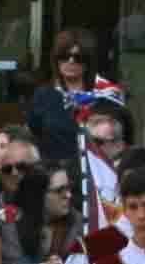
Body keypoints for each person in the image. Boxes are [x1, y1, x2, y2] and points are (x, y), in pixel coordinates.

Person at [24, 29, 123, 174]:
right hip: (54, 176)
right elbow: (29, 136)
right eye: (64, 56)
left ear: (88, 62)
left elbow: (117, 141)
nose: (71, 61)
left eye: (78, 57)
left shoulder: (104, 95)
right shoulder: (43, 95)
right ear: (56, 60)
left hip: (95, 176)